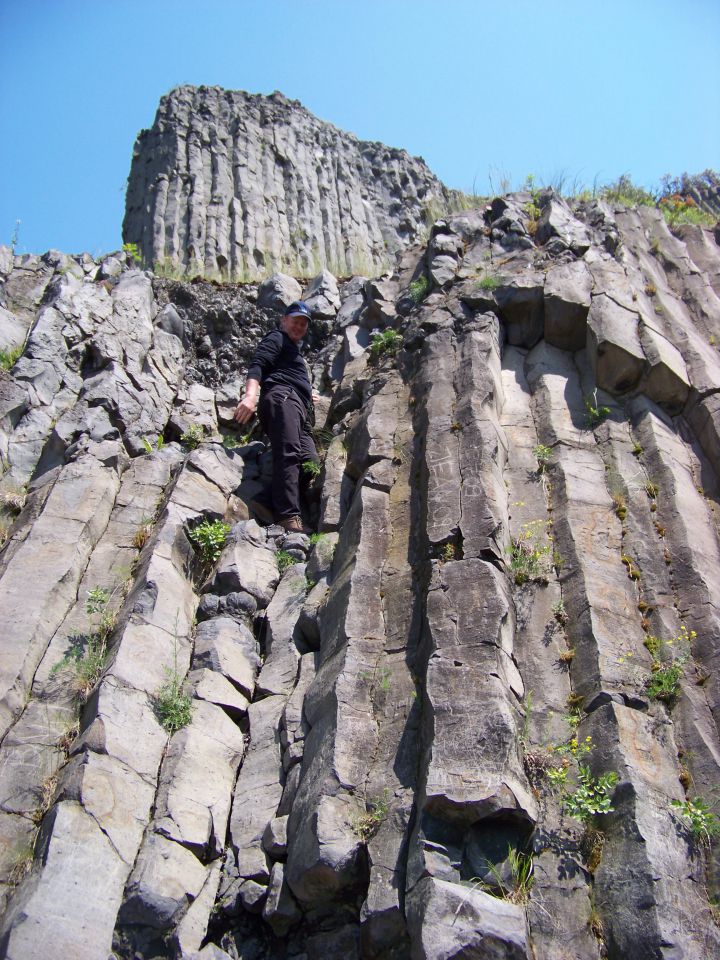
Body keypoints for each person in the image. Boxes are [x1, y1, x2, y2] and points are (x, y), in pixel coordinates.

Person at [234, 301, 318, 533]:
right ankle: (288, 516)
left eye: (303, 323)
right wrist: (251, 396)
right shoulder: (276, 338)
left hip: (298, 405)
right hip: (283, 398)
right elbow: (257, 365)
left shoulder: (293, 352)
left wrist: (307, 394)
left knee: (310, 463)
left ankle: (266, 500)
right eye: (295, 320)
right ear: (283, 320)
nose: (299, 326)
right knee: (289, 452)